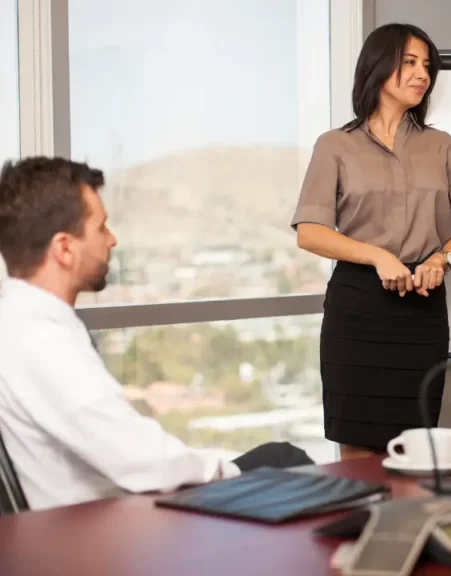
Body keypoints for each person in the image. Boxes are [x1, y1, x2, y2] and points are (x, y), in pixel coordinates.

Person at [0, 157, 314, 511]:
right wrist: (230, 470)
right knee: (287, 460)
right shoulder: (41, 340)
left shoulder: (19, 321)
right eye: (101, 228)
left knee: (278, 457)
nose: (112, 239)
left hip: (110, 508)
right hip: (119, 524)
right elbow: (139, 458)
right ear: (65, 249)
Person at [291, 23, 451, 456]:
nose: (422, 75)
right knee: (356, 454)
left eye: (427, 66)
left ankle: (406, 523)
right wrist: (377, 256)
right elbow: (310, 232)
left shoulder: (441, 145)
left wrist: (441, 259)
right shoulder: (335, 145)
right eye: (410, 62)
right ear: (379, 66)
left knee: (418, 451)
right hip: (357, 311)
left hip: (422, 310)